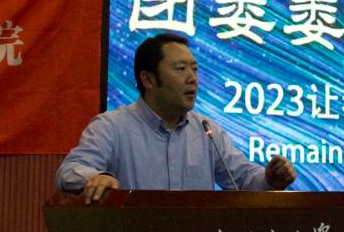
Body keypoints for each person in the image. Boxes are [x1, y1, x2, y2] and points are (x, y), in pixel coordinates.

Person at [56, 33, 297, 202]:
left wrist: (270, 179)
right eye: (181, 69)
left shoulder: (206, 130)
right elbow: (69, 172)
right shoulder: (112, 127)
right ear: (148, 80)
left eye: (195, 69)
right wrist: (98, 178)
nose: (192, 78)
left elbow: (243, 181)